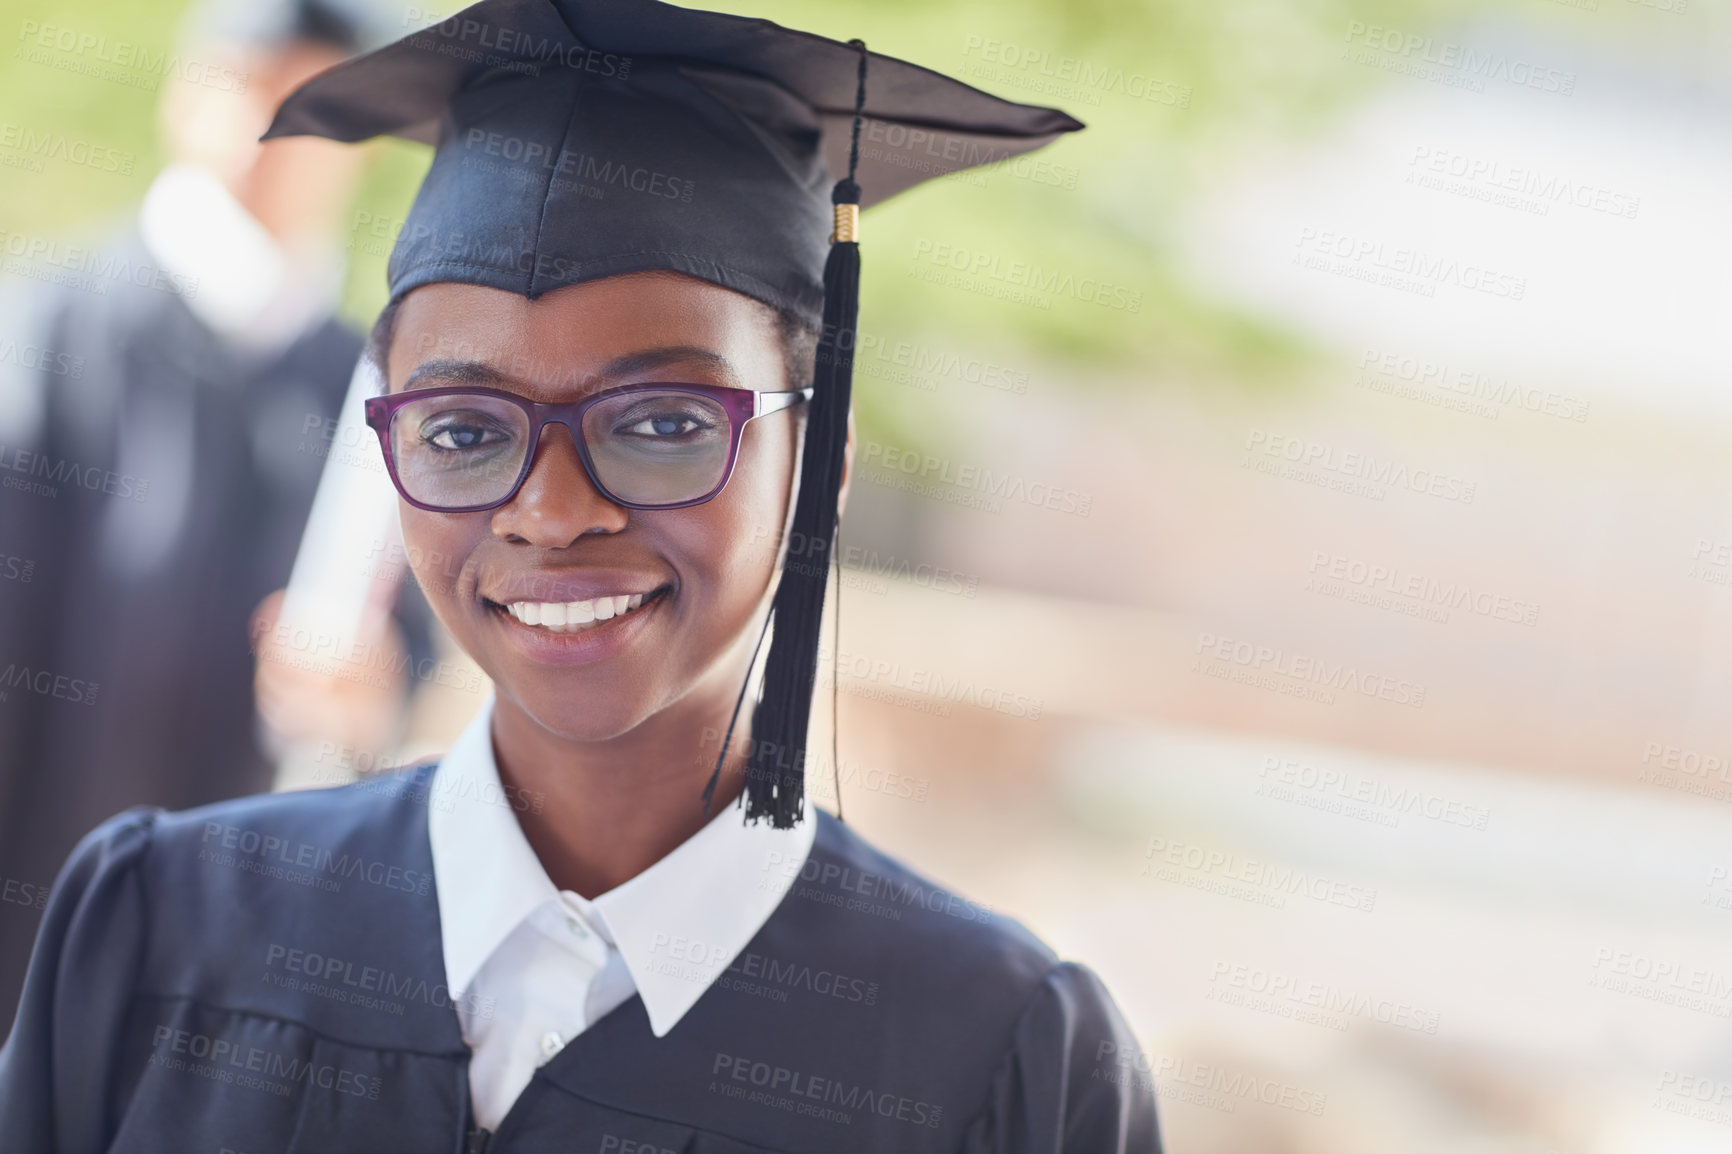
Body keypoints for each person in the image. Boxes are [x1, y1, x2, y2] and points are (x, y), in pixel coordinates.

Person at [0, 0, 1161, 1149]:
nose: (551, 511)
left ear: (818, 463)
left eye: (663, 422)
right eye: (462, 430)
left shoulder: (1001, 1063)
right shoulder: (157, 930)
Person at [0, 0, 419, 1036]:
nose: (273, 135)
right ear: (185, 95)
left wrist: (373, 691)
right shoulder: (44, 333)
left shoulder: (375, 391)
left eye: (311, 108)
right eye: (249, 86)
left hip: (230, 985)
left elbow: (392, 669)